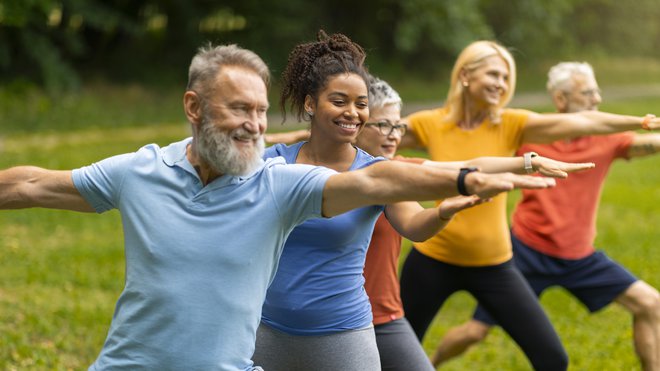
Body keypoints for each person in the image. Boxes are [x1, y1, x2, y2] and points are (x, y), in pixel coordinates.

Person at [0, 43, 560, 371]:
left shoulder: (278, 184)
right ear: (193, 107)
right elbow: (31, 185)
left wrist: (488, 171)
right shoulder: (141, 171)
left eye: (262, 111)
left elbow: (386, 179)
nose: (254, 124)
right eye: (239, 108)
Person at [252, 32, 592, 370]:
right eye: (339, 102)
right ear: (310, 104)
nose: (353, 113)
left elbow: (416, 222)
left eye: (361, 104)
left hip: (344, 329)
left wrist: (442, 213)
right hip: (268, 327)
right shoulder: (273, 163)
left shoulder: (379, 171)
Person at [396, 40, 660, 371]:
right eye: (494, 74)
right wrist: (313, 136)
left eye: (507, 77)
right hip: (438, 259)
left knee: (553, 358)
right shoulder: (430, 124)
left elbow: (583, 123)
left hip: (497, 263)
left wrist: (641, 121)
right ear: (465, 75)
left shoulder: (512, 124)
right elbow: (376, 137)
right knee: (398, 351)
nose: (502, 84)